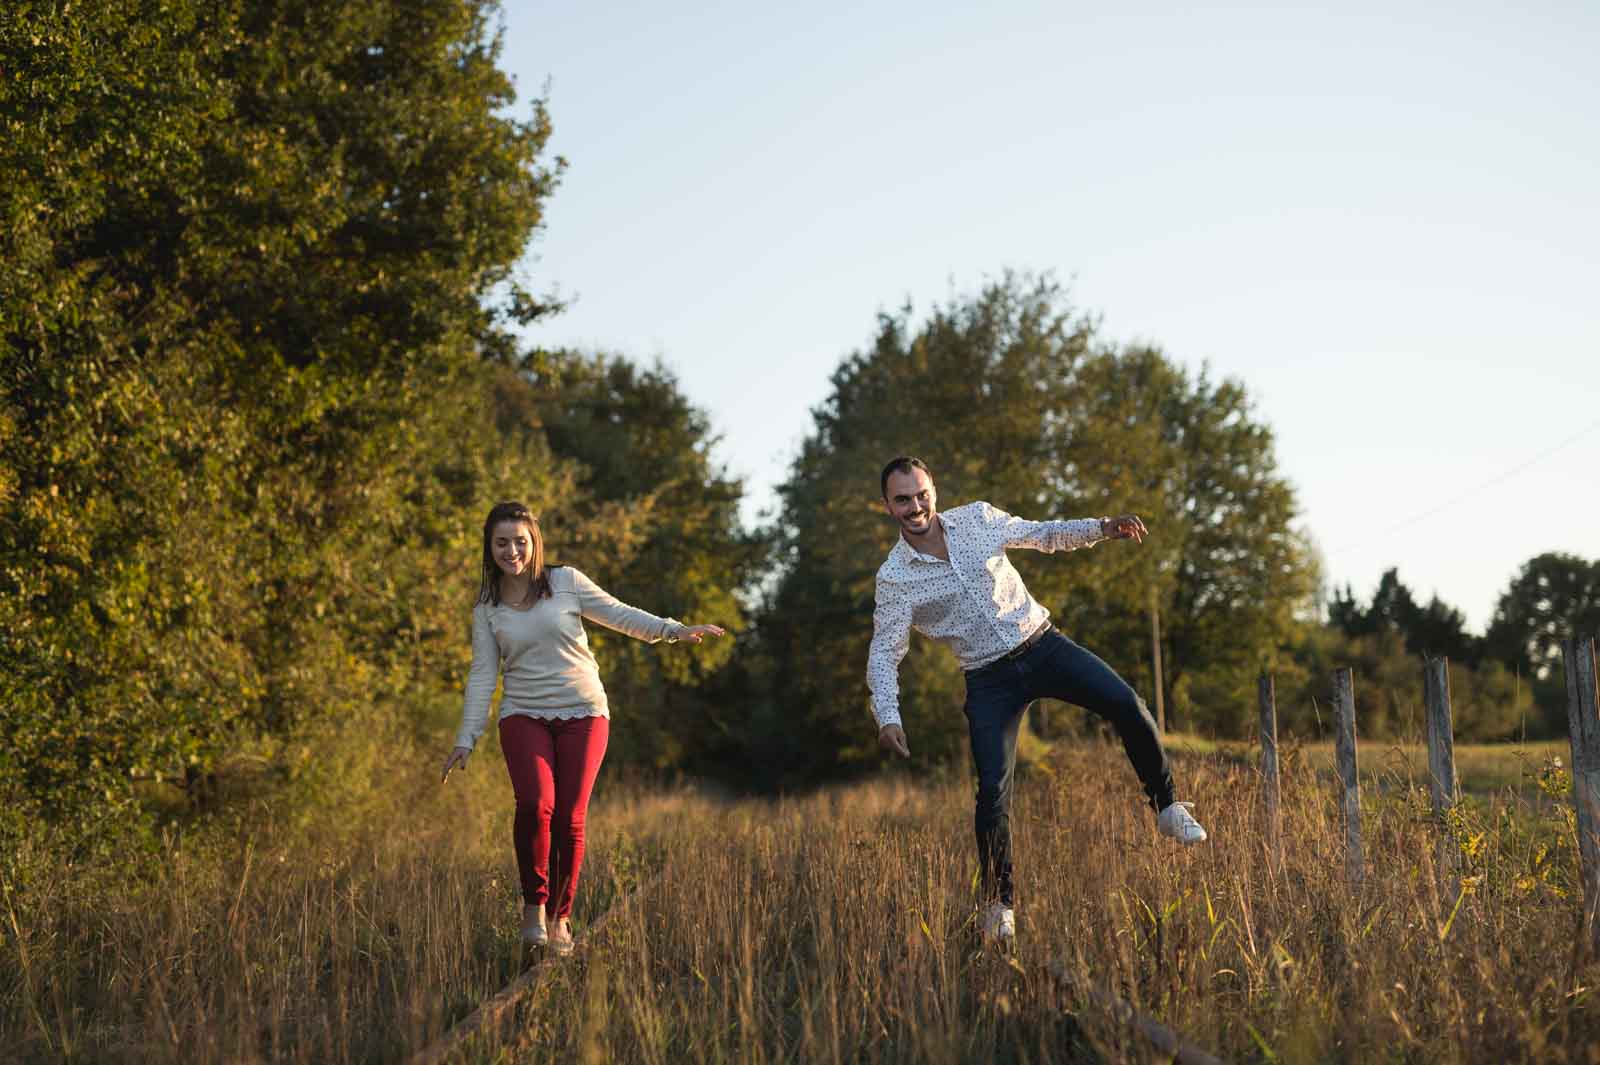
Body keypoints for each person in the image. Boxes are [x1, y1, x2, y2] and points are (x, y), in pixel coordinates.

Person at [865, 457, 1206, 945]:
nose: (916, 506)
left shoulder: (978, 520)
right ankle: (1000, 904)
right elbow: (885, 650)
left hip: (1043, 645)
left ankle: (1168, 806)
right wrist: (888, 716)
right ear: (888, 507)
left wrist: (1102, 528)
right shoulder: (895, 577)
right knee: (992, 792)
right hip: (988, 680)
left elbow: (1042, 534)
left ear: (933, 489)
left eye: (921, 494)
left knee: (1127, 704)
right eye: (903, 500)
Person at [441, 501, 726, 955]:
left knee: (570, 816)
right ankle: (534, 907)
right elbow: (482, 675)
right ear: (489, 547)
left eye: (520, 540)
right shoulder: (487, 607)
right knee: (536, 805)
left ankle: (560, 918)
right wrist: (466, 737)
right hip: (524, 713)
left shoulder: (565, 582)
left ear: (534, 542)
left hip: (584, 712)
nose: (511, 550)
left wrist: (673, 630)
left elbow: (621, 614)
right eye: (501, 542)